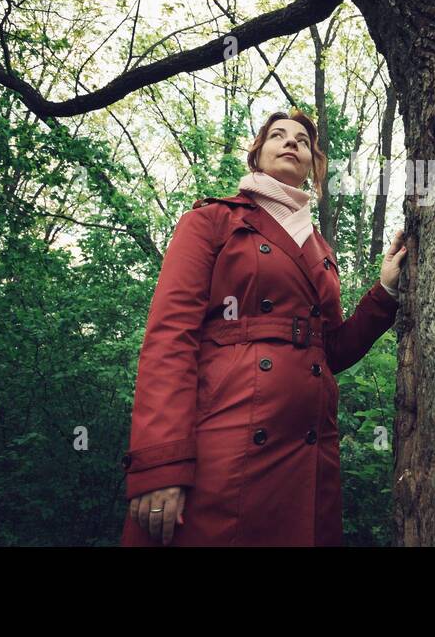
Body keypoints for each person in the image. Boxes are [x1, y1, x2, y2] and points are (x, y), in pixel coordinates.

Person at [120, 109, 408, 546]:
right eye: (278, 135)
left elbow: (328, 352)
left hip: (308, 448)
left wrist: (384, 292)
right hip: (227, 437)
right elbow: (169, 339)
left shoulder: (321, 249)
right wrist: (161, 463)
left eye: (303, 141)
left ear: (313, 162)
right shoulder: (212, 221)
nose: (291, 143)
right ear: (257, 154)